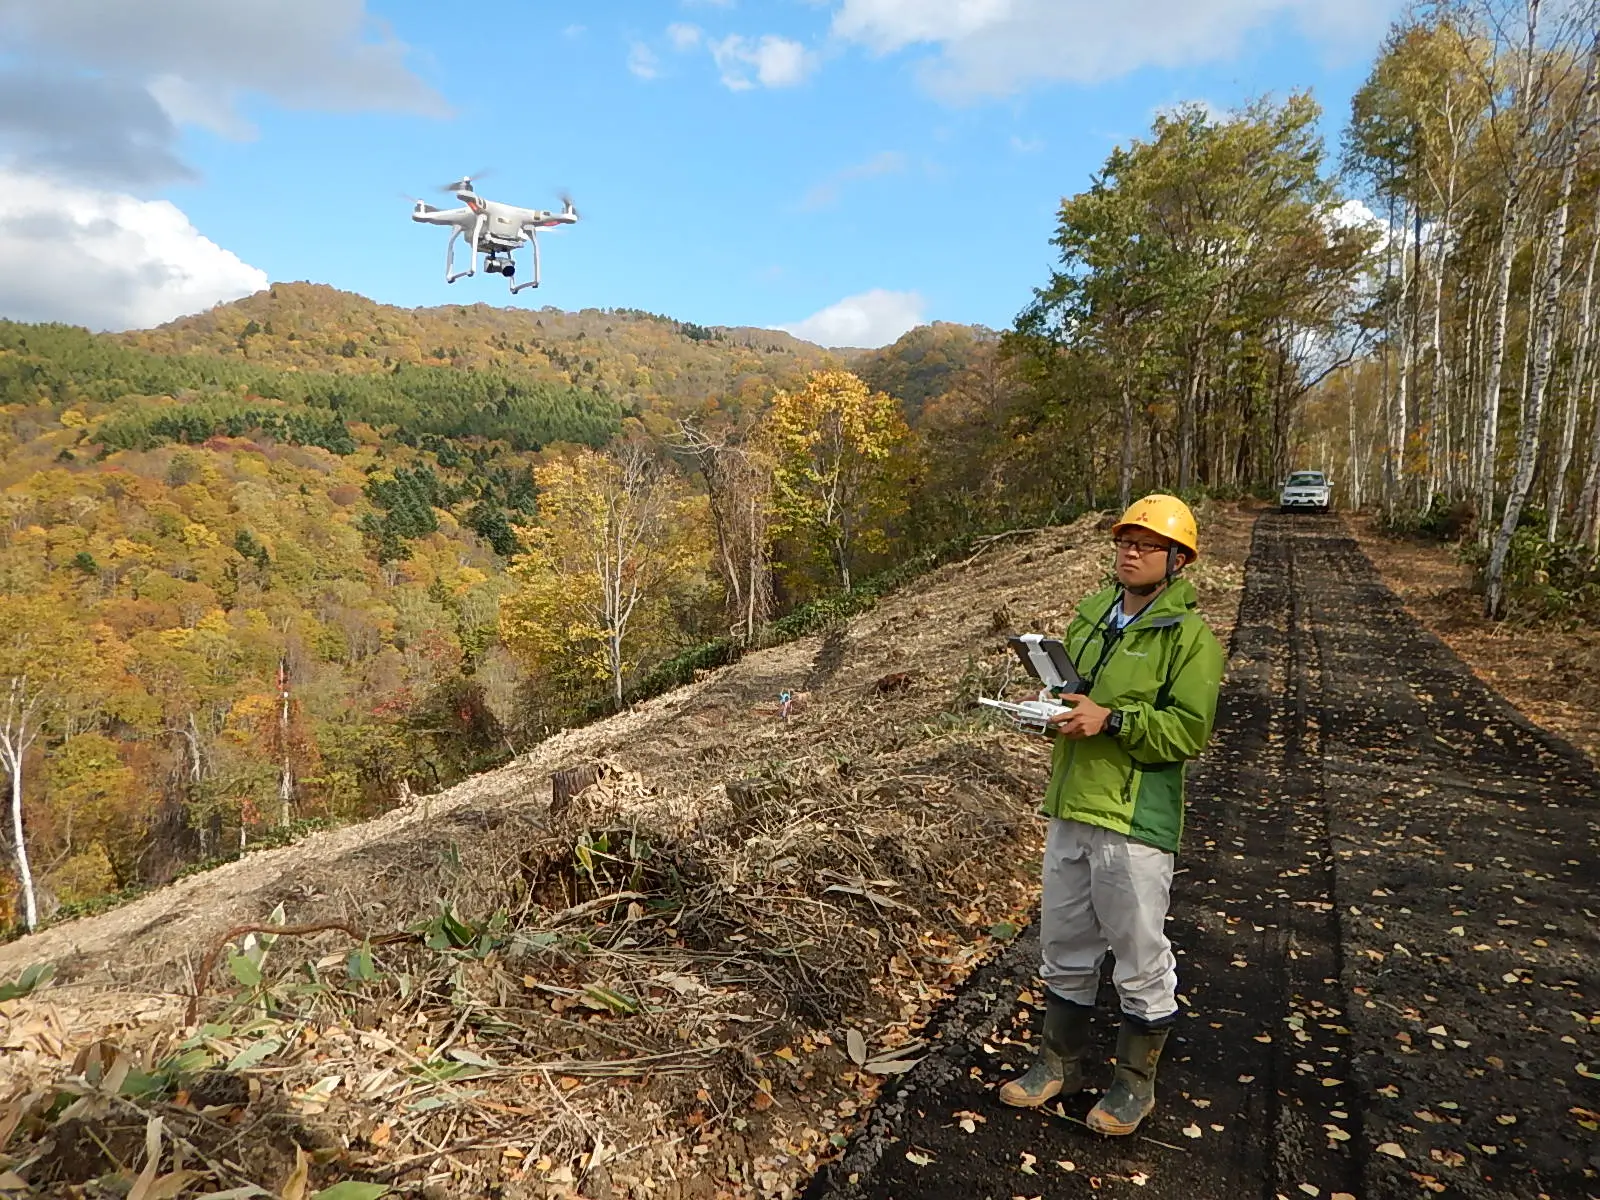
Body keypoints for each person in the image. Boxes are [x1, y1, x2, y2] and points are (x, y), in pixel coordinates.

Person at [999, 495, 1224, 1137]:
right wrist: (1053, 707)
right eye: (1125, 540)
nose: (1130, 551)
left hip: (1134, 815)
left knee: (1138, 951)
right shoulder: (1094, 613)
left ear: (1178, 559)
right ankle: (1058, 1064)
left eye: (1147, 544)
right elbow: (1076, 694)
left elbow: (1188, 732)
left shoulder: (1191, 639)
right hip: (1072, 800)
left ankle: (1133, 1085)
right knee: (1064, 940)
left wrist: (1114, 720)